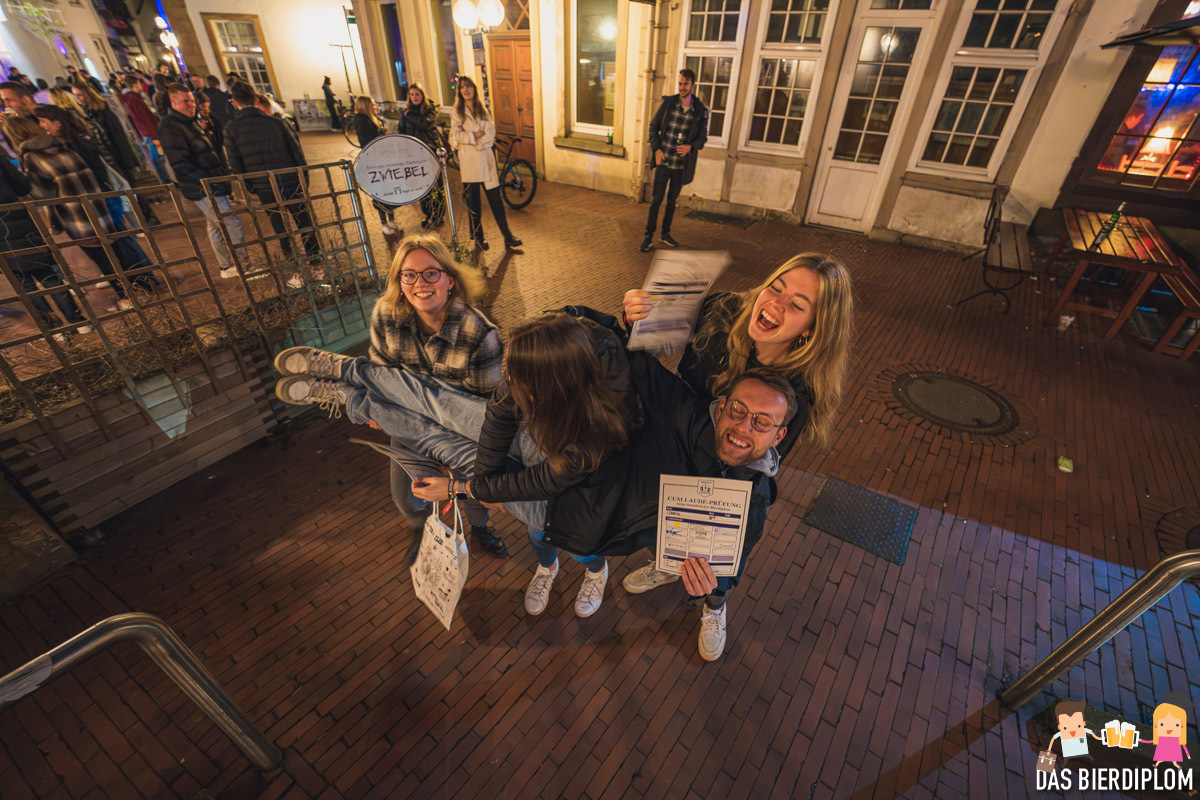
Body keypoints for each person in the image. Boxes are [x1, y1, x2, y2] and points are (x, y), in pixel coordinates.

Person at [274, 311, 636, 618]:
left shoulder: (593, 436)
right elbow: (499, 417)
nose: (509, 379)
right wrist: (479, 481)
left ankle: (596, 571)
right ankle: (345, 375)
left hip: (560, 506)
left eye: (518, 374)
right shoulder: (532, 377)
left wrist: (457, 489)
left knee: (567, 543)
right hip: (529, 448)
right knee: (436, 403)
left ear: (551, 380)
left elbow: (532, 485)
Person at [275, 234, 511, 563]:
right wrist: (386, 412)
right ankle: (421, 528)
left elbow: (480, 409)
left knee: (474, 484)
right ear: (399, 282)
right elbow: (383, 372)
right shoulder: (387, 316)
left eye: (431, 273)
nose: (420, 283)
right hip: (405, 420)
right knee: (406, 493)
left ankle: (479, 527)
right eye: (409, 275)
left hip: (459, 428)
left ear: (450, 280)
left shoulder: (480, 334)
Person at [8, 115, 155, 308]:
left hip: (75, 216)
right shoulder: (62, 146)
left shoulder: (31, 158)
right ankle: (139, 289)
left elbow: (43, 194)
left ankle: (127, 298)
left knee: (102, 259)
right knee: (115, 251)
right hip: (98, 208)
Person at [224, 80, 321, 270]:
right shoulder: (277, 123)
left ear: (235, 102)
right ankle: (316, 262)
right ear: (255, 99)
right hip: (290, 181)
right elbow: (297, 153)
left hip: (264, 186)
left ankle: (294, 267)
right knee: (304, 222)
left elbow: (235, 165)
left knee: (280, 228)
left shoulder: (231, 129)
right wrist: (303, 179)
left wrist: (251, 187)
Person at [158, 83, 245, 279]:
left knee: (215, 226)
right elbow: (180, 163)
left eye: (192, 101)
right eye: (185, 101)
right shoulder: (171, 126)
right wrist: (208, 182)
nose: (191, 105)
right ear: (173, 102)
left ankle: (226, 266)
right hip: (203, 187)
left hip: (207, 183)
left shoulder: (188, 122)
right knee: (230, 222)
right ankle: (244, 266)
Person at [0, 157, 91, 336]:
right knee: (49, 277)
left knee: (25, 286)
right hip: (22, 224)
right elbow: (23, 186)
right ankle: (78, 322)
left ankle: (52, 329)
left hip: (3, 241)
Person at [450, 75, 521, 252]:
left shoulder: (482, 110)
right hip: (470, 164)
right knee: (473, 204)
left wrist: (476, 142)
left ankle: (508, 237)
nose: (466, 90)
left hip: (486, 161)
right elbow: (455, 136)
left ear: (474, 89)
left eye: (468, 86)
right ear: (459, 91)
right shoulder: (457, 112)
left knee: (496, 201)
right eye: (462, 87)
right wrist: (475, 135)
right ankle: (478, 238)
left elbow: (490, 133)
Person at [641, 68, 709, 252]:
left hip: (681, 166)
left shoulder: (701, 111)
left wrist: (690, 147)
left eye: (685, 84)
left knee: (672, 201)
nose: (682, 87)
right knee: (656, 200)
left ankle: (665, 234)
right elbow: (653, 126)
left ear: (693, 85)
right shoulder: (669, 103)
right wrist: (656, 149)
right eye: (680, 83)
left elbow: (702, 138)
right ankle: (648, 236)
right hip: (664, 162)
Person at [351, 95, 399, 237]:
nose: (375, 106)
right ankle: (384, 223)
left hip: (380, 162)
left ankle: (391, 221)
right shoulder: (363, 122)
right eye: (372, 104)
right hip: (374, 164)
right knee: (380, 193)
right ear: (365, 106)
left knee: (387, 192)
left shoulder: (371, 120)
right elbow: (367, 144)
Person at [399, 81, 443, 230]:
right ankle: (428, 214)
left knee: (435, 186)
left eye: (417, 94)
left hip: (429, 153)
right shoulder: (406, 112)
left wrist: (409, 115)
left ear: (422, 95)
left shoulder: (430, 110)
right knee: (421, 187)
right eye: (411, 94)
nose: (414, 97)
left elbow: (424, 124)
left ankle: (438, 214)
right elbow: (401, 131)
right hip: (413, 156)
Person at [119, 75, 170, 183]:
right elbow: (144, 119)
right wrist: (154, 136)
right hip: (150, 133)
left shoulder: (134, 98)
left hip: (149, 132)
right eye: (140, 83)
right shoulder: (134, 99)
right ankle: (167, 182)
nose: (142, 85)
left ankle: (167, 180)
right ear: (135, 85)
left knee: (159, 157)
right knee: (158, 158)